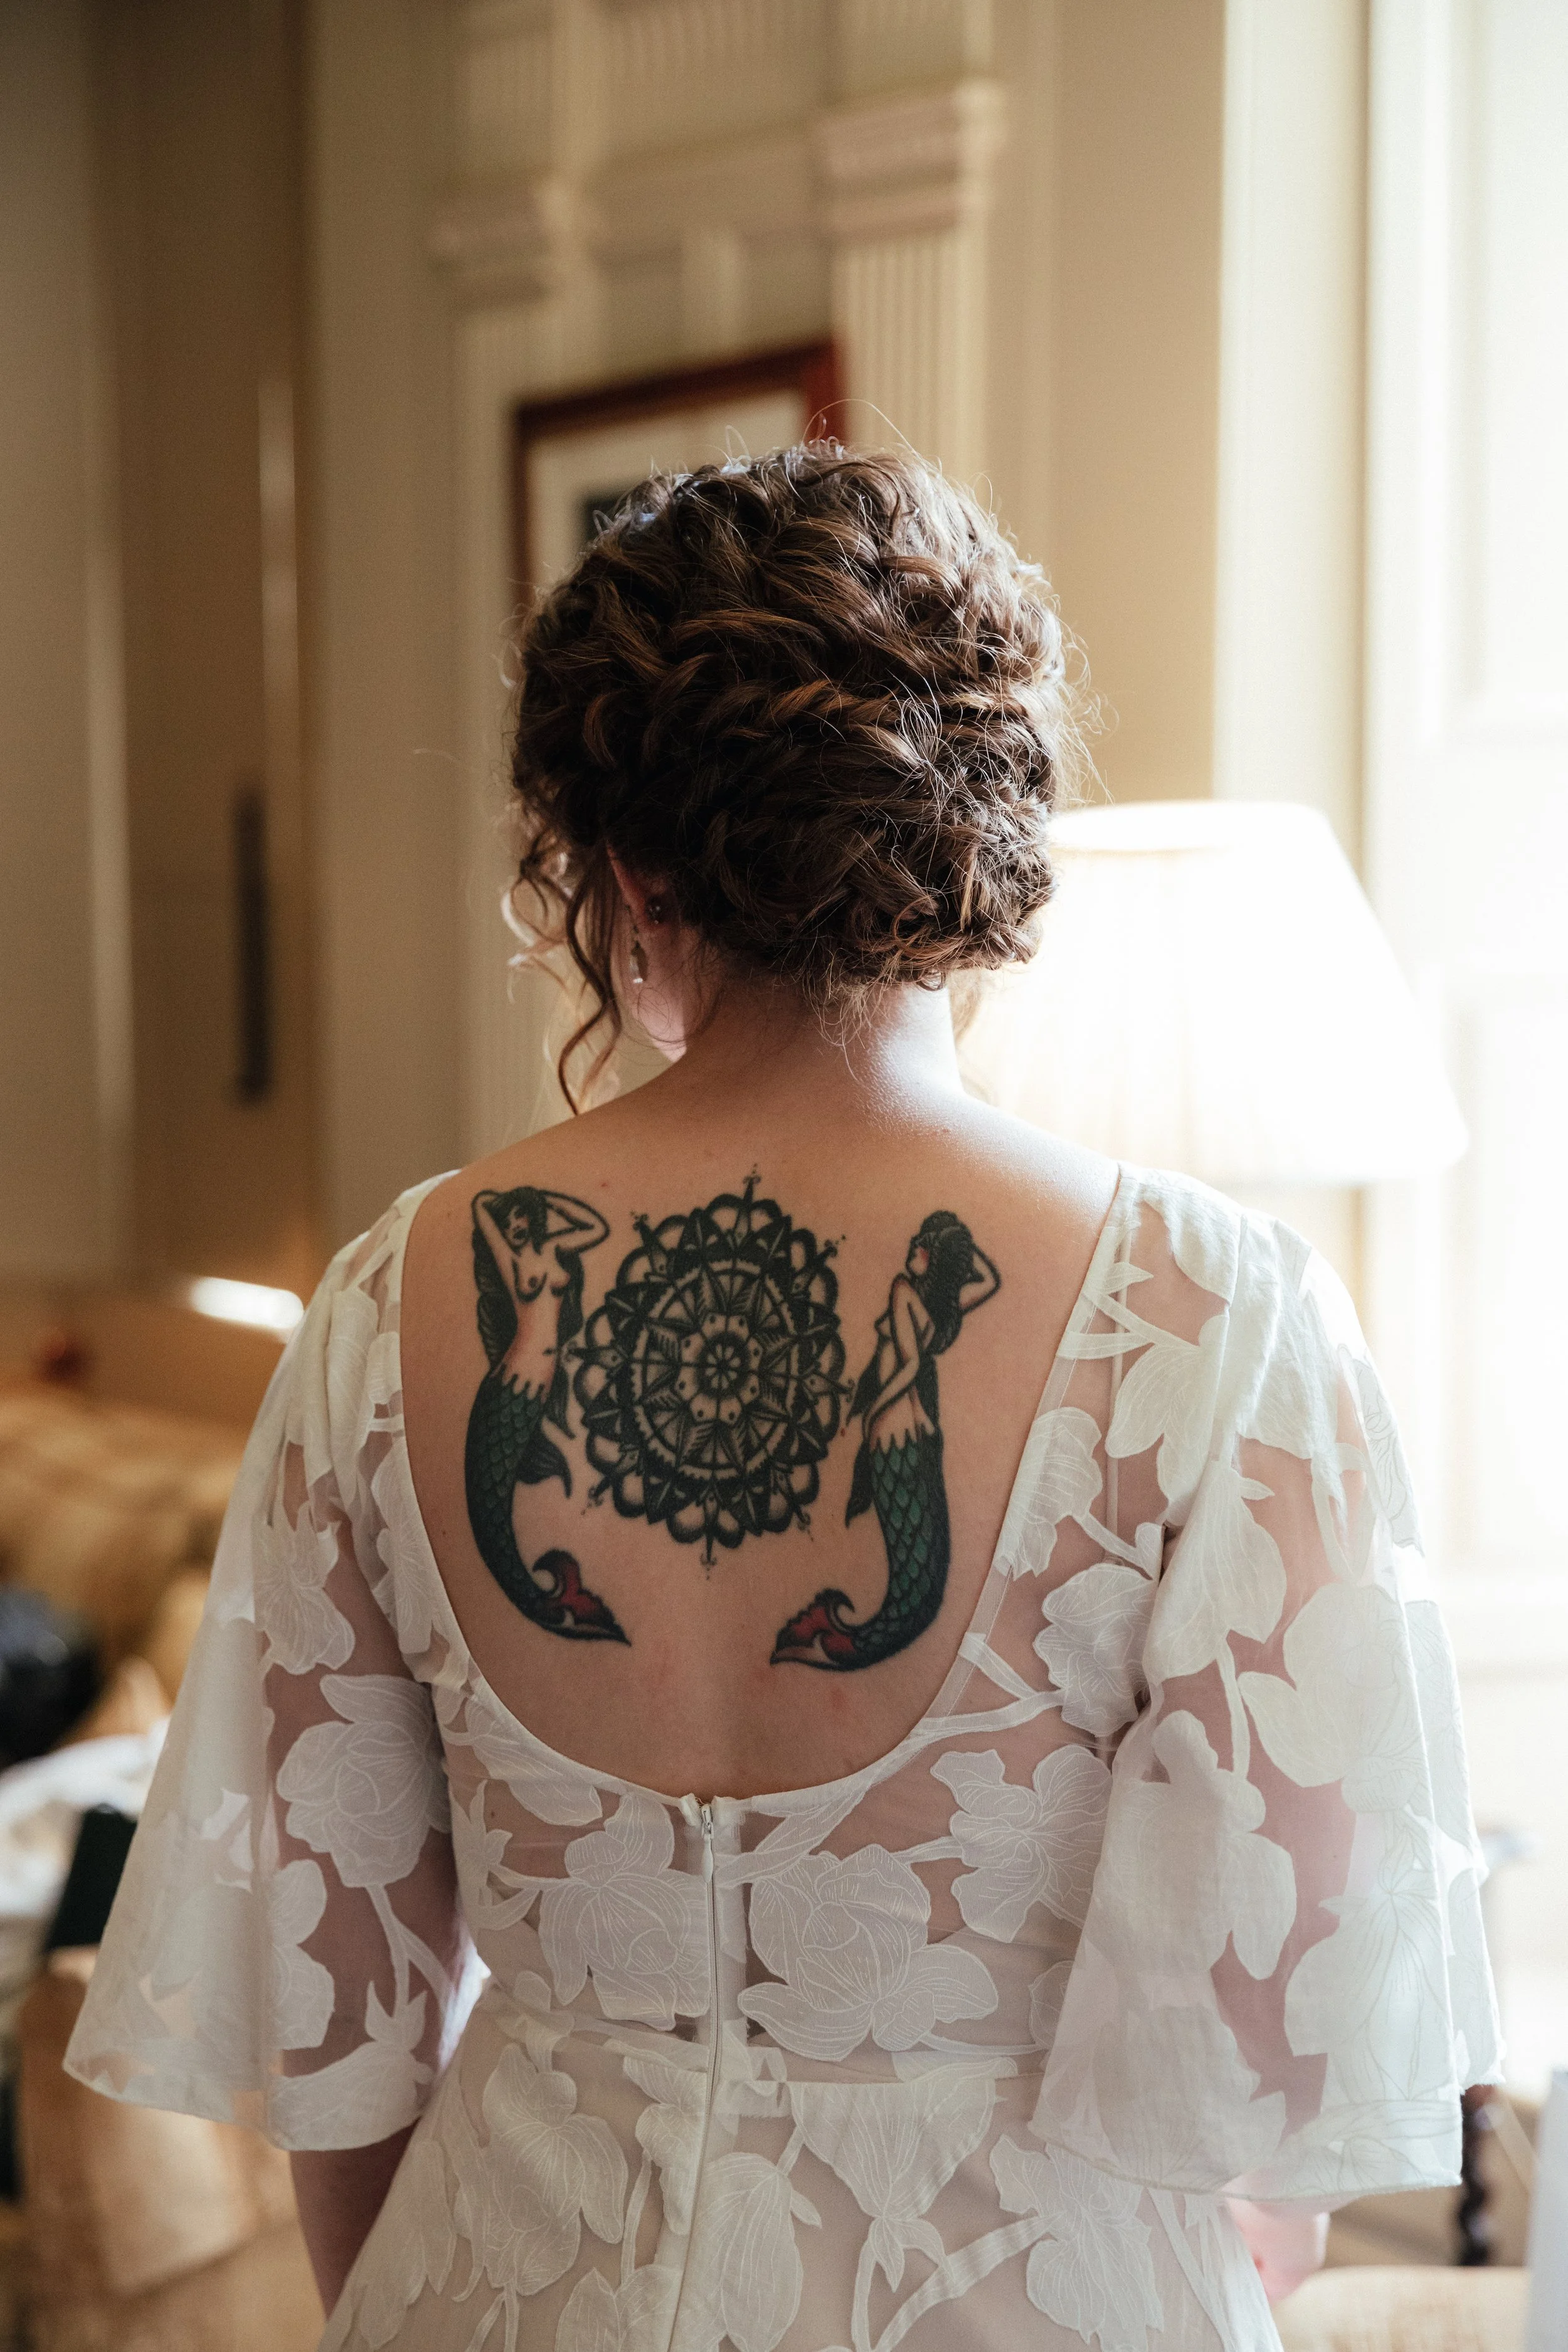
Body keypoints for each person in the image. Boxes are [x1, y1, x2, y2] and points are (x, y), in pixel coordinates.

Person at [66, 447, 1500, 2351]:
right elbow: (1278, 2056)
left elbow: (343, 2034)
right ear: (980, 845)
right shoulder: (1213, 1315)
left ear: (620, 866)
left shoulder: (387, 1302)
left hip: (506, 2278)